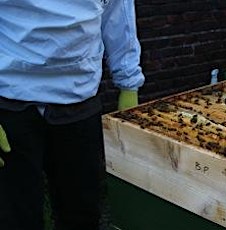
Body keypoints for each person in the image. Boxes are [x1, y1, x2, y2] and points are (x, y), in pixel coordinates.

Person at [0, 0, 145, 229]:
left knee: (82, 215)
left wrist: (129, 85)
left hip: (79, 103)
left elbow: (118, 12)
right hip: (10, 104)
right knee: (15, 218)